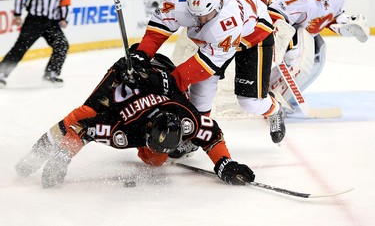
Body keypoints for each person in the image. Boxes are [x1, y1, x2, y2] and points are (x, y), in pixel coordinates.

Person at [15, 47, 255, 188]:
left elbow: (211, 133)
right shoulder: (122, 127)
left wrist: (225, 164)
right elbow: (83, 128)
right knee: (84, 113)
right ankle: (35, 154)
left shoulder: (186, 118)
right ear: (147, 128)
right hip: (122, 80)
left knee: (155, 161)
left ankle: (174, 145)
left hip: (163, 76)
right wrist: (63, 155)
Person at [135, 0, 286, 145]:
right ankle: (195, 137)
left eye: (207, 15)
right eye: (197, 15)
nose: (202, 21)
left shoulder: (228, 20)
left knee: (249, 102)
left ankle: (274, 109)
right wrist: (141, 55)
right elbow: (155, 33)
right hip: (217, 44)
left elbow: (204, 66)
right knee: (199, 97)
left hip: (254, 35)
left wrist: (169, 82)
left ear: (219, 5)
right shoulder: (178, 0)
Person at [267, 0, 370, 111]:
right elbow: (276, 11)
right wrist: (281, 37)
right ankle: (269, 95)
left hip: (309, 32)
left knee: (317, 61)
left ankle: (288, 95)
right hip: (293, 27)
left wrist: (347, 24)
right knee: (296, 60)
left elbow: (334, 17)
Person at [0, 0, 71, 87]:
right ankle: (1, 73)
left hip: (51, 23)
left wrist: (64, 18)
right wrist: (17, 14)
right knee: (20, 47)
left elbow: (65, 3)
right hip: (34, 21)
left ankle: (51, 74)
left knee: (62, 45)